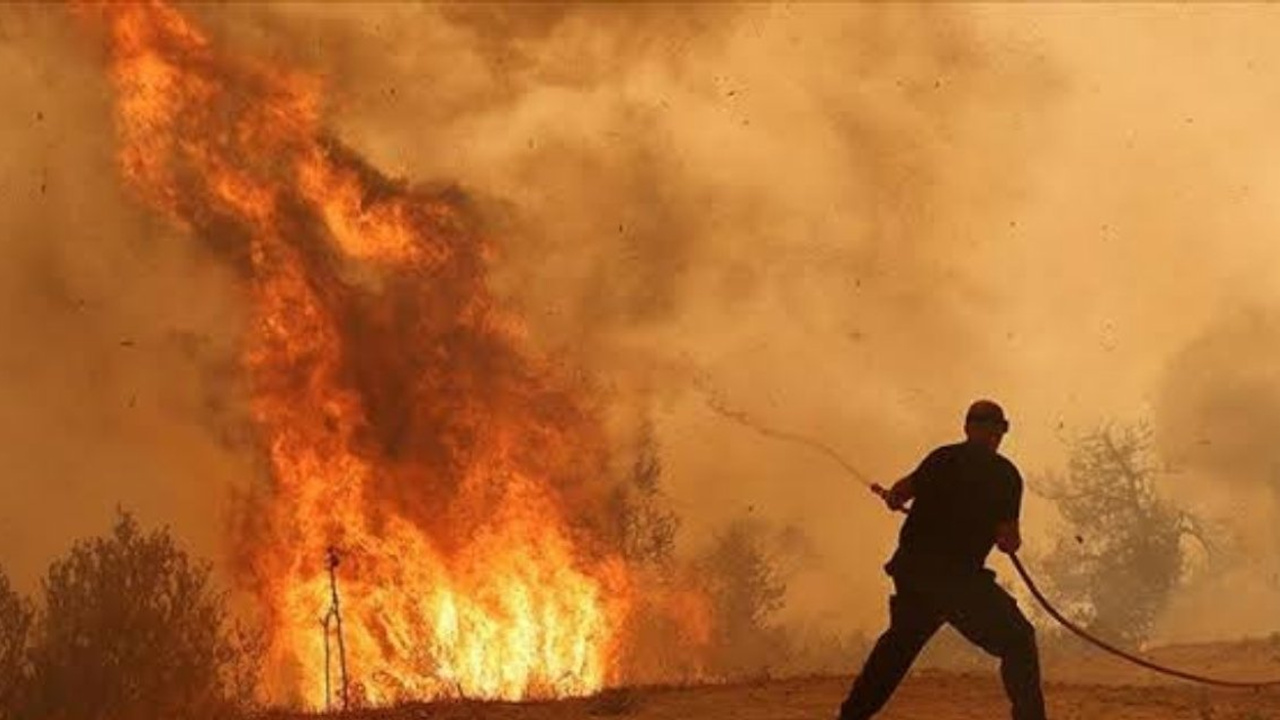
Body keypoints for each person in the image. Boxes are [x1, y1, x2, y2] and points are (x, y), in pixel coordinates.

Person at [837, 400, 1047, 720]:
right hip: (958, 581)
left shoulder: (941, 458)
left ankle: (851, 716)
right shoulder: (1005, 475)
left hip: (915, 572)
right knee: (1018, 639)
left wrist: (893, 498)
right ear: (999, 431)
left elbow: (900, 492)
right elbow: (1008, 540)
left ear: (967, 428)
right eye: (998, 429)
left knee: (899, 647)